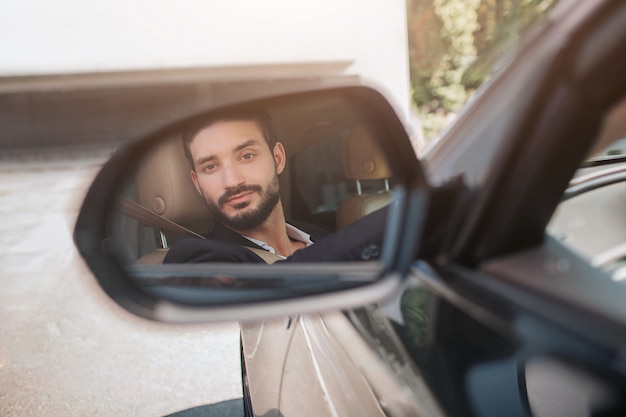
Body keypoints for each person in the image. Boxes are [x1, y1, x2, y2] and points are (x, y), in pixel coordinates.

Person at [163, 107, 388, 265]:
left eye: (247, 155)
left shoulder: (318, 235)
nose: (232, 181)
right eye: (210, 167)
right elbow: (274, 283)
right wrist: (391, 218)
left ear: (278, 158)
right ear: (197, 183)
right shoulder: (194, 258)